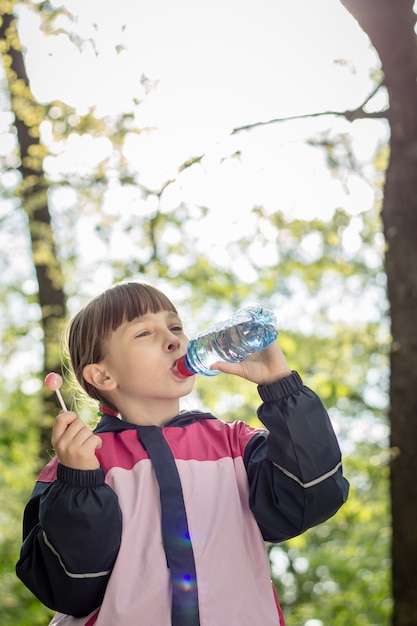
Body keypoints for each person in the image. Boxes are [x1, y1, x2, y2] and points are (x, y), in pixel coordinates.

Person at [16, 281, 349, 626]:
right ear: (103, 375)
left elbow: (312, 497)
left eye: (175, 327)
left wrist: (281, 387)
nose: (174, 340)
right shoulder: (76, 467)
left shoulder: (236, 445)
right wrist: (79, 485)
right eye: (144, 333)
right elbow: (68, 588)